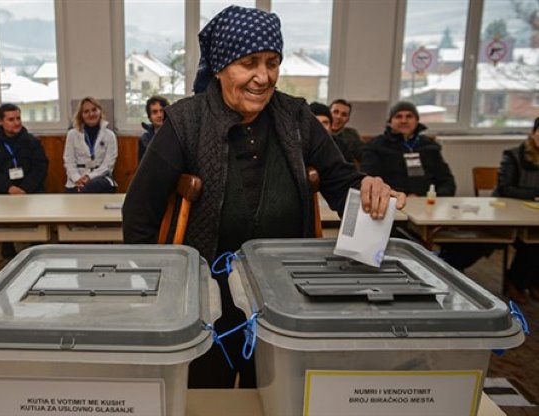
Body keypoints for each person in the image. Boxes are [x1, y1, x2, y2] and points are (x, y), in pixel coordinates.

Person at [123, 5, 405, 389]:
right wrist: (157, 296)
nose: (263, 77)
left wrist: (368, 187)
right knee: (209, 398)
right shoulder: (186, 122)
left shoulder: (295, 116)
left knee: (277, 392)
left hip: (285, 296)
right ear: (221, 66)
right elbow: (140, 213)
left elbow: (342, 183)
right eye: (249, 63)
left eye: (272, 62)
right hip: (207, 298)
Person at [360, 101, 485, 271]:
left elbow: (448, 181)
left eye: (409, 116)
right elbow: (369, 179)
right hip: (395, 209)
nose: (404, 120)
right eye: (399, 116)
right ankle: (424, 265)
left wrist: (432, 198)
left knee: (477, 240)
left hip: (429, 209)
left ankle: (444, 267)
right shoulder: (376, 146)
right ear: (390, 121)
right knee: (407, 243)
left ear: (417, 120)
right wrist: (396, 196)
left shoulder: (430, 147)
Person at [0, 103, 49, 259]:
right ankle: (6, 242)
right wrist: (8, 188)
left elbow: (40, 167)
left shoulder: (31, 141)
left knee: (39, 199)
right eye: (11, 119)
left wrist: (25, 188)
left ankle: (36, 243)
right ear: (1, 122)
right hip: (2, 188)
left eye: (18, 118)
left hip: (27, 187)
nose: (16, 122)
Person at [494, 117, 539, 303]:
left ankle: (534, 282)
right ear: (533, 132)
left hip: (534, 213)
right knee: (532, 242)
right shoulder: (513, 155)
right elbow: (506, 188)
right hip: (508, 213)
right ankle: (516, 282)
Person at [63, 97, 118, 193]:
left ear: (100, 111)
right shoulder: (72, 134)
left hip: (101, 179)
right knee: (82, 191)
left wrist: (89, 177)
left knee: (93, 186)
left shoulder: (110, 135)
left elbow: (108, 165)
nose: (91, 114)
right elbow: (69, 161)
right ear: (81, 115)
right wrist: (77, 179)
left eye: (94, 110)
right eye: (86, 111)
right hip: (76, 181)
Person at [330, 98, 366, 163]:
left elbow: (365, 156)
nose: (339, 117)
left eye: (344, 114)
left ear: (347, 119)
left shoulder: (351, 136)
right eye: (335, 112)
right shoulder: (317, 133)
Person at [139, 95, 170, 162]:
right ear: (149, 117)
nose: (159, 115)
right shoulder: (145, 139)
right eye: (155, 112)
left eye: (162, 111)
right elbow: (141, 168)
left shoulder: (176, 136)